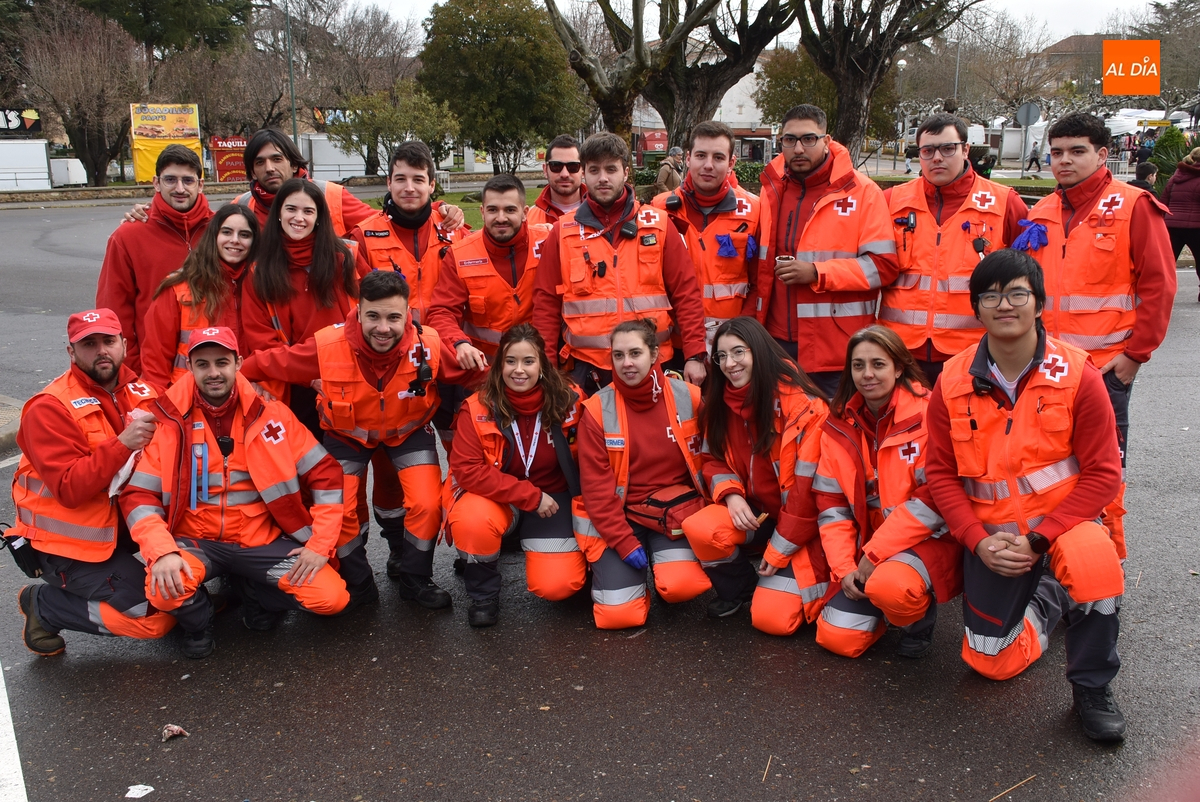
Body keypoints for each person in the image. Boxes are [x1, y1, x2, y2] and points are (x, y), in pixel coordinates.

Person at [925, 250, 1127, 742]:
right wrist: (975, 540)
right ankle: (1049, 598)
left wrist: (1041, 540)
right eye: (991, 295)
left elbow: (1103, 475)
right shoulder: (950, 381)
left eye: (1017, 293)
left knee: (1096, 567)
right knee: (991, 661)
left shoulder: (1080, 374)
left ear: (1039, 304)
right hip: (993, 536)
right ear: (976, 308)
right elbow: (940, 474)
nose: (1004, 304)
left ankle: (1091, 689)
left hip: (1064, 522)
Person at [120, 327, 350, 655]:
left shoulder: (273, 414)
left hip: (261, 541)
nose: (213, 373)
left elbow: (326, 475)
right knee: (163, 589)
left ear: (238, 363)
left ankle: (254, 592)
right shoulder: (169, 421)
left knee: (332, 599)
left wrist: (319, 545)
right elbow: (139, 496)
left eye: (222, 362)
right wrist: (162, 552)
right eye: (203, 364)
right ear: (190, 365)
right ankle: (199, 621)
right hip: (197, 542)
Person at [1013, 112, 1176, 560]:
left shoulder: (1133, 205)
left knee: (1103, 472)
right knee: (1047, 468)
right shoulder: (1039, 212)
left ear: (1103, 154)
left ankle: (1105, 566)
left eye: (1077, 151)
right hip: (1045, 367)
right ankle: (1057, 560)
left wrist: (1134, 358)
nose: (1064, 161)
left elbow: (1159, 286)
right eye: (1057, 152)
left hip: (1105, 371)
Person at [240, 270, 451, 610]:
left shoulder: (429, 345)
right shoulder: (325, 347)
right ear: (358, 310)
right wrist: (239, 376)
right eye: (373, 316)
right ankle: (359, 582)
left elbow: (471, 373)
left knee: (427, 502)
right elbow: (266, 363)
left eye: (394, 317)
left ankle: (415, 577)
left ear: (408, 314)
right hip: (346, 436)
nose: (383, 328)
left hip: (408, 433)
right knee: (337, 509)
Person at [11, 309, 176, 656]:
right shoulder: (48, 408)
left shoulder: (147, 392)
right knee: (157, 619)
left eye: (108, 341)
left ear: (124, 345)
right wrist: (123, 444)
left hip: (123, 529)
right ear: (71, 352)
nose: (101, 350)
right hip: (68, 546)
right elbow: (70, 488)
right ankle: (45, 606)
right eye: (89, 344)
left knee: (183, 590)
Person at [812, 325, 961, 659]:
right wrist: (844, 568)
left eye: (878, 364)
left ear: (898, 367)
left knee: (892, 589)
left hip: (927, 538)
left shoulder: (928, 415)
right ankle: (878, 603)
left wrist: (874, 554)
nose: (868, 374)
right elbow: (831, 504)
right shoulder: (837, 425)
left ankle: (917, 621)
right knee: (838, 640)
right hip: (867, 547)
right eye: (858, 365)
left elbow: (933, 500)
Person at [680, 317, 831, 635]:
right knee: (700, 527)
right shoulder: (721, 403)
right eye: (720, 356)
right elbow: (712, 459)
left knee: (771, 620)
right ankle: (742, 589)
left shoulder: (804, 408)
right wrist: (731, 494)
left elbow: (806, 499)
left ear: (759, 351)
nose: (728, 364)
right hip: (759, 516)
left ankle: (816, 589)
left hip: (806, 529)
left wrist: (778, 552)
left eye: (738, 352)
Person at [531, 132, 709, 395]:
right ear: (584, 174)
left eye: (611, 169)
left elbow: (686, 293)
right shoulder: (562, 232)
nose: (603, 178)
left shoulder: (659, 225)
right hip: (587, 370)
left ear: (626, 172)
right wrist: (546, 366)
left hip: (652, 363)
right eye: (594, 170)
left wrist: (695, 354)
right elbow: (545, 303)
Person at [444, 325, 587, 627]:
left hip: (555, 500)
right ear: (499, 365)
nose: (518, 370)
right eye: (510, 361)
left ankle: (571, 559)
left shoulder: (571, 399)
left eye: (528, 361)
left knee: (557, 586)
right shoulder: (478, 406)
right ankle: (483, 595)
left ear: (542, 365)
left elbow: (592, 457)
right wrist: (529, 496)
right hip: (501, 498)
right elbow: (468, 471)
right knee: (472, 519)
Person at [574, 319, 712, 629]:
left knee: (681, 587)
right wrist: (623, 543)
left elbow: (715, 458)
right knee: (618, 617)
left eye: (635, 353)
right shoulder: (597, 409)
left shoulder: (688, 397)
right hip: (619, 519)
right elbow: (597, 492)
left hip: (672, 514)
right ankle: (626, 579)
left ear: (655, 354)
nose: (626, 363)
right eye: (618, 355)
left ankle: (662, 571)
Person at [754, 104, 899, 398]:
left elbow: (883, 266)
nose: (798, 149)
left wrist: (817, 273)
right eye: (789, 140)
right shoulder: (771, 190)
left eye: (809, 139)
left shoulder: (863, 193)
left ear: (827, 141)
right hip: (774, 341)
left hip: (835, 348)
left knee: (836, 434)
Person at [881, 113, 1029, 382]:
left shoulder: (1004, 203)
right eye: (928, 150)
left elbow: (1029, 283)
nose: (937, 157)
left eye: (948, 148)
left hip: (974, 352)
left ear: (966, 150)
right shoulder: (891, 201)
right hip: (900, 351)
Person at [241, 177, 358, 435]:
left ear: (319, 217)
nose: (299, 218)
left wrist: (443, 208)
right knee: (305, 469)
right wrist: (309, 377)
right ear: (278, 214)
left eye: (308, 211)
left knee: (347, 471)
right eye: (291, 209)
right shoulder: (259, 272)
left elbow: (365, 319)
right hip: (294, 388)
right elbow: (263, 342)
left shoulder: (344, 259)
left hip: (349, 378)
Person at [97, 145, 212, 374]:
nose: (180, 188)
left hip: (215, 368)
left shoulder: (221, 230)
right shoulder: (128, 236)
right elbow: (115, 312)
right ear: (156, 183)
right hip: (153, 370)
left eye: (188, 181)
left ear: (200, 185)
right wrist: (132, 372)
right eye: (170, 180)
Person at [427, 174, 553, 382]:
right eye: (493, 209)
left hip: (536, 371)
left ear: (525, 213)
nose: (501, 218)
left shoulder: (548, 244)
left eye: (510, 210)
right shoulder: (460, 254)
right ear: (482, 212)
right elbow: (442, 311)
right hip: (482, 373)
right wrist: (459, 343)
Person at [651, 120, 760, 352]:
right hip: (675, 344)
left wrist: (744, 332)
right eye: (701, 156)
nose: (708, 165)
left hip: (732, 344)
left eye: (718, 158)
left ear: (732, 162)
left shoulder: (755, 211)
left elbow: (761, 283)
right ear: (688, 158)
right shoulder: (659, 210)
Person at [141, 204, 259, 392]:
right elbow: (156, 361)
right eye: (227, 232)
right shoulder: (178, 288)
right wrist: (160, 412)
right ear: (213, 236)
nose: (235, 240)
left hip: (249, 399)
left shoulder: (264, 286)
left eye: (245, 235)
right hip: (189, 400)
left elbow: (272, 351)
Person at [349, 142, 469, 322]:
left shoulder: (454, 231)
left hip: (446, 342)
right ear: (389, 183)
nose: (409, 188)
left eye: (418, 180)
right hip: (390, 343)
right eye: (400, 179)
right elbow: (357, 308)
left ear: (432, 185)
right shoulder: (363, 237)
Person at [1162, 146, 1200, 292]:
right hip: (1197, 227)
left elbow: (1163, 202)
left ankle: (1161, 291)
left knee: (1166, 262)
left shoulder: (1176, 178)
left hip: (1172, 225)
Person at [526, 134, 585, 227]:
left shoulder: (601, 215)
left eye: (573, 166)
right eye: (556, 166)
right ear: (545, 170)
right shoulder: (528, 220)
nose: (564, 174)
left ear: (583, 170)